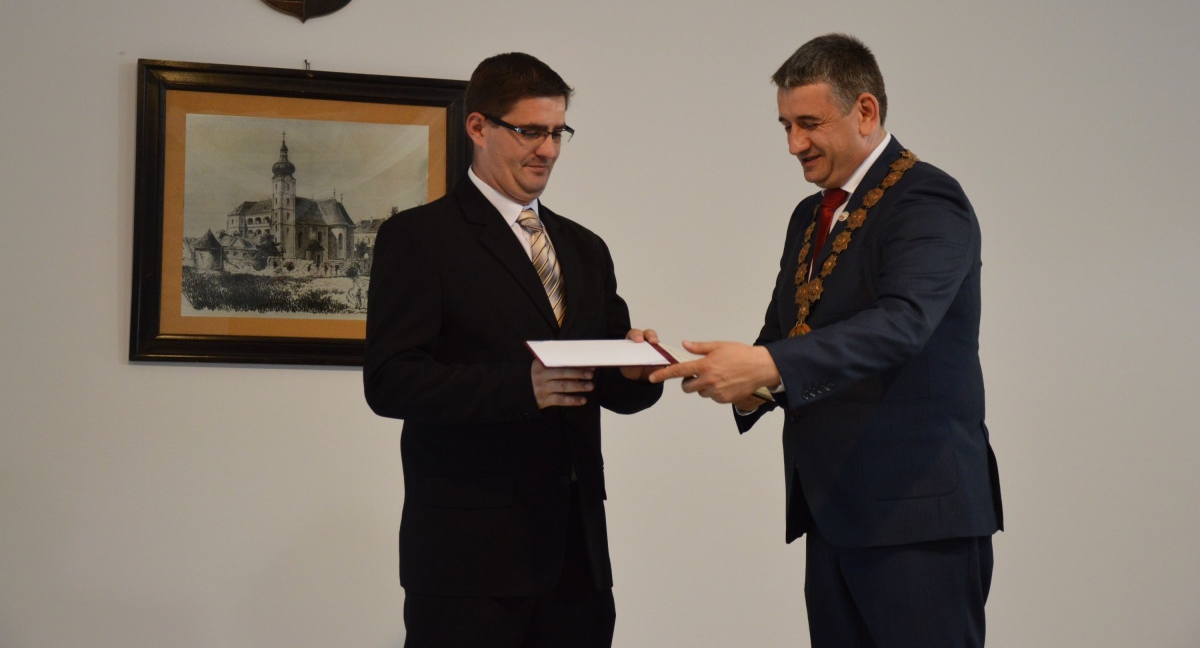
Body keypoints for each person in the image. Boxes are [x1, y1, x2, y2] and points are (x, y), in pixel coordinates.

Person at [650, 34, 1003, 648]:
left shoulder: (928, 198)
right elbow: (785, 333)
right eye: (786, 126)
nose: (794, 144)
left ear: (865, 111)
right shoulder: (808, 215)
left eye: (809, 124)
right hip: (835, 514)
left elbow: (903, 322)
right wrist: (736, 379)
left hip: (917, 517)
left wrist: (766, 365)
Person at [364, 51, 663, 647]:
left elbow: (606, 382)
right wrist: (522, 387)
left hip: (577, 561)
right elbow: (391, 381)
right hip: (466, 564)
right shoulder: (418, 239)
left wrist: (635, 370)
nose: (547, 150)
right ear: (478, 127)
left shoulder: (585, 248)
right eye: (530, 132)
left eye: (557, 133)